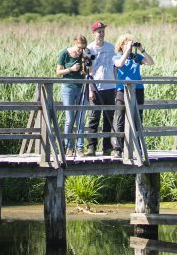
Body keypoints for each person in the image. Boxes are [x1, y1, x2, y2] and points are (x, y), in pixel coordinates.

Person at [111, 34, 154, 157]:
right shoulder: (116, 57)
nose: (130, 46)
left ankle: (137, 146)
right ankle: (118, 148)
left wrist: (141, 49)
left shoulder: (136, 57)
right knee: (120, 118)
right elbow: (119, 64)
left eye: (131, 43)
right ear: (121, 45)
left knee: (137, 118)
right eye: (127, 43)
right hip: (121, 90)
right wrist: (127, 51)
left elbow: (151, 62)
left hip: (138, 89)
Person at [84, 21, 117, 156]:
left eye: (103, 31)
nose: (101, 33)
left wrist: (116, 84)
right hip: (96, 86)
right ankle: (91, 147)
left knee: (108, 118)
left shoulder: (111, 47)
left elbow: (115, 66)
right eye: (99, 31)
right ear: (94, 33)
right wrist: (90, 89)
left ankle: (107, 147)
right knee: (94, 118)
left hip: (110, 85)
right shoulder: (89, 49)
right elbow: (88, 71)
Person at [54, 34, 88, 156]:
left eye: (83, 47)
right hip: (67, 87)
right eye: (79, 47)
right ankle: (68, 147)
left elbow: (89, 71)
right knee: (69, 119)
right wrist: (71, 69)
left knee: (81, 119)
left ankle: (79, 148)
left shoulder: (84, 55)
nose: (80, 50)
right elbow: (58, 72)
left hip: (81, 88)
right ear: (74, 43)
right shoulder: (64, 53)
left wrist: (86, 59)